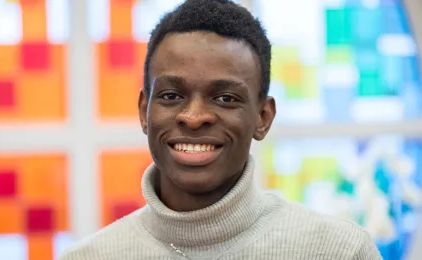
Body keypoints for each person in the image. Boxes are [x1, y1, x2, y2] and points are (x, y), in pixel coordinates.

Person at [60, 0, 382, 259]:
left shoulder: (337, 251)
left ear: (263, 117)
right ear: (145, 111)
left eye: (225, 98)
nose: (194, 117)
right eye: (171, 96)